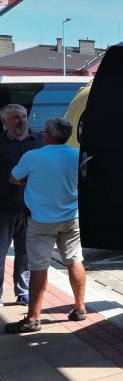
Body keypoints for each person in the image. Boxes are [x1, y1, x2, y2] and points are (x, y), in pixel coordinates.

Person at [3, 118, 86, 333]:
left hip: (41, 220)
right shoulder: (77, 155)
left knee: (38, 267)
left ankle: (33, 318)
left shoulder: (33, 156)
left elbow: (14, 178)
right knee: (74, 261)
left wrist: (28, 181)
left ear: (47, 134)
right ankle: (80, 308)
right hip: (71, 218)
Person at [0, 104, 43, 307]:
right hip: (3, 207)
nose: (21, 121)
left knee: (26, 252)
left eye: (24, 116)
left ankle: (23, 290)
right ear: (4, 121)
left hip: (32, 206)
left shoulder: (40, 141)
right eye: (16, 117)